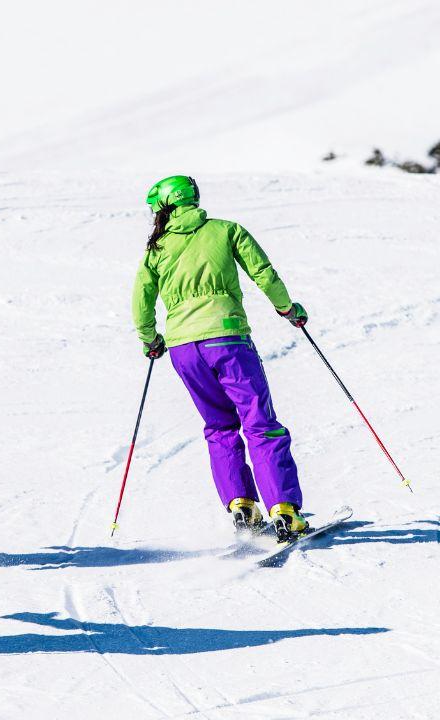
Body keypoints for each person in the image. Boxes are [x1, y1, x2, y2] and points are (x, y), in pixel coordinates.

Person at [131, 176, 312, 541]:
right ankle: (285, 511)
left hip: (183, 350)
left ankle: (241, 505)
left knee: (219, 427)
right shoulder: (226, 231)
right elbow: (264, 273)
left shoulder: (156, 249)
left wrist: (151, 339)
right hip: (227, 339)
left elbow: (141, 302)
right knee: (260, 423)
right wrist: (287, 309)